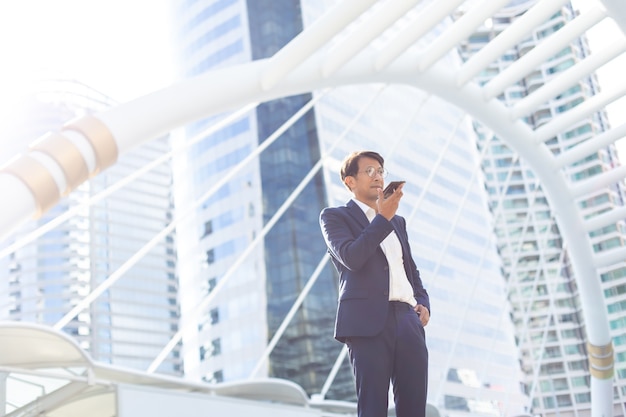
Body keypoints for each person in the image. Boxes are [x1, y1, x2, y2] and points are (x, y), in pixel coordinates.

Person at [319, 150, 430, 417]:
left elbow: (410, 269)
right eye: (369, 171)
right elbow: (352, 257)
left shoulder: (398, 223)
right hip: (365, 323)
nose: (377, 176)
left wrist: (423, 303)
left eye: (380, 171)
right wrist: (382, 218)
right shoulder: (334, 217)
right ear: (349, 181)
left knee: (415, 409)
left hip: (407, 319)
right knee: (372, 409)